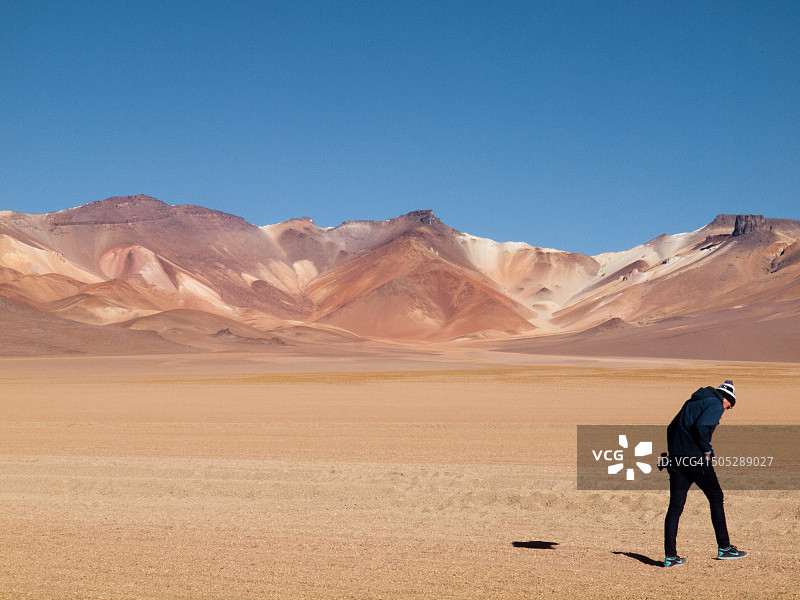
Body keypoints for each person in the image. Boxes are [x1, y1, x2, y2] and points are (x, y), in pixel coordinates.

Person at [663, 380, 747, 567]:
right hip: (696, 460)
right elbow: (702, 426)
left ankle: (670, 557)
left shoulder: (693, 402)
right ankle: (724, 548)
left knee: (675, 508)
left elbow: (671, 427)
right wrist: (707, 452)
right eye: (728, 407)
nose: (724, 412)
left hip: (676, 460)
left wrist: (675, 453)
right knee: (716, 497)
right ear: (726, 398)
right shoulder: (715, 403)